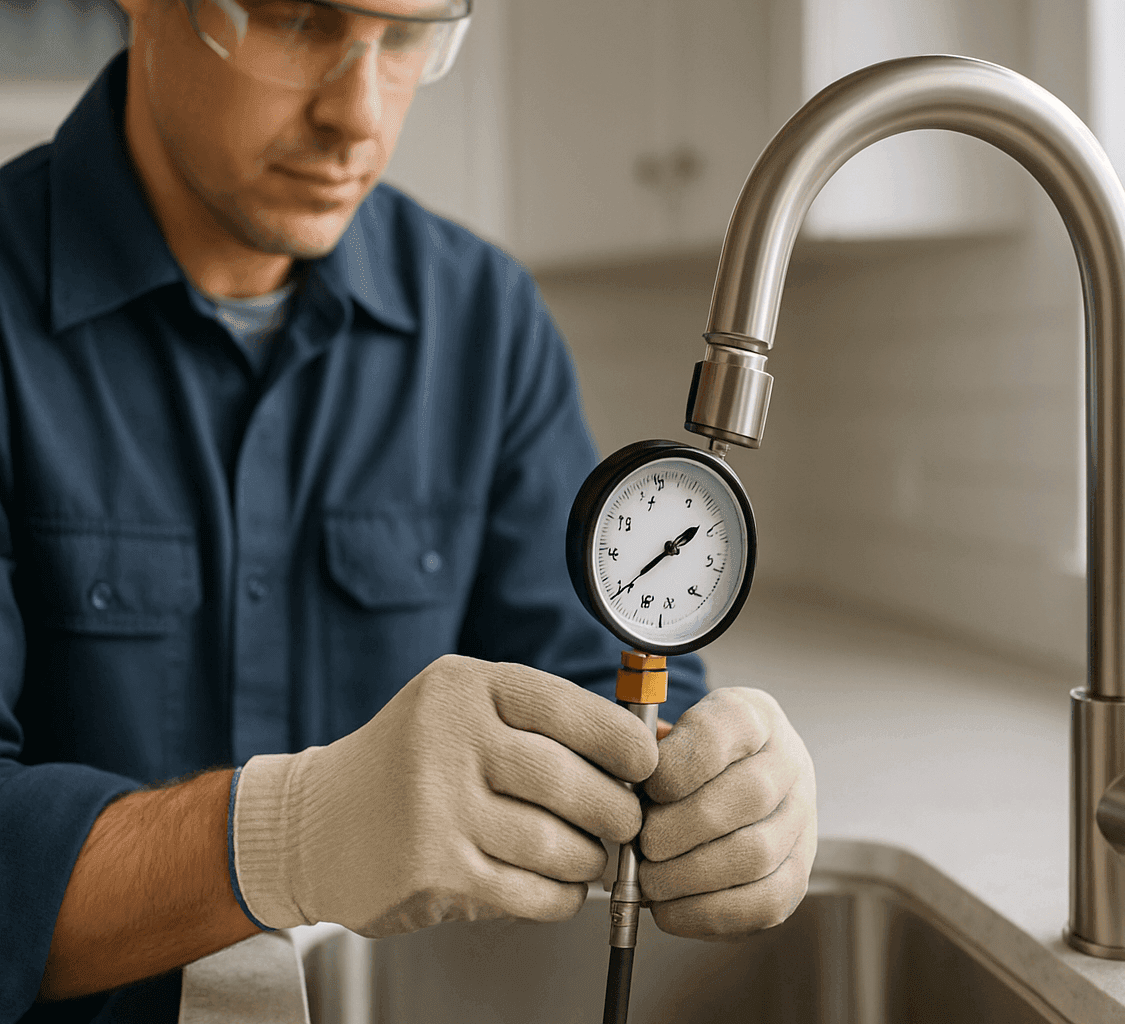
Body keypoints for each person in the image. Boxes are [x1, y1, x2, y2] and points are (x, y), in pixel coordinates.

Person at [0, 2, 818, 1021]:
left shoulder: (486, 324)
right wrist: (283, 836)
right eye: (299, 17)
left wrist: (712, 794)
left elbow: (607, 685)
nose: (360, 113)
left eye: (406, 36)